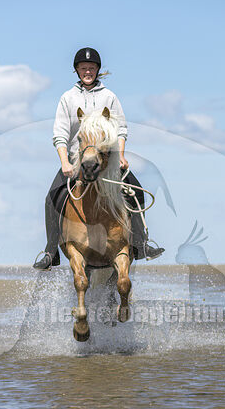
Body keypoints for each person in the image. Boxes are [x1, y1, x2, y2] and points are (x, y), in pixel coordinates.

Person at [33, 47, 165, 269]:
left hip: (108, 160)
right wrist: (65, 162)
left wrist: (120, 156)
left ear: (97, 70)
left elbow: (121, 129)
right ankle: (50, 252)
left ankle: (142, 245)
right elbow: (60, 134)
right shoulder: (68, 98)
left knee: (136, 192)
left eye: (91, 68)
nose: (87, 72)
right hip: (78, 160)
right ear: (76, 71)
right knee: (51, 198)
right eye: (83, 68)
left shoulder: (109, 97)